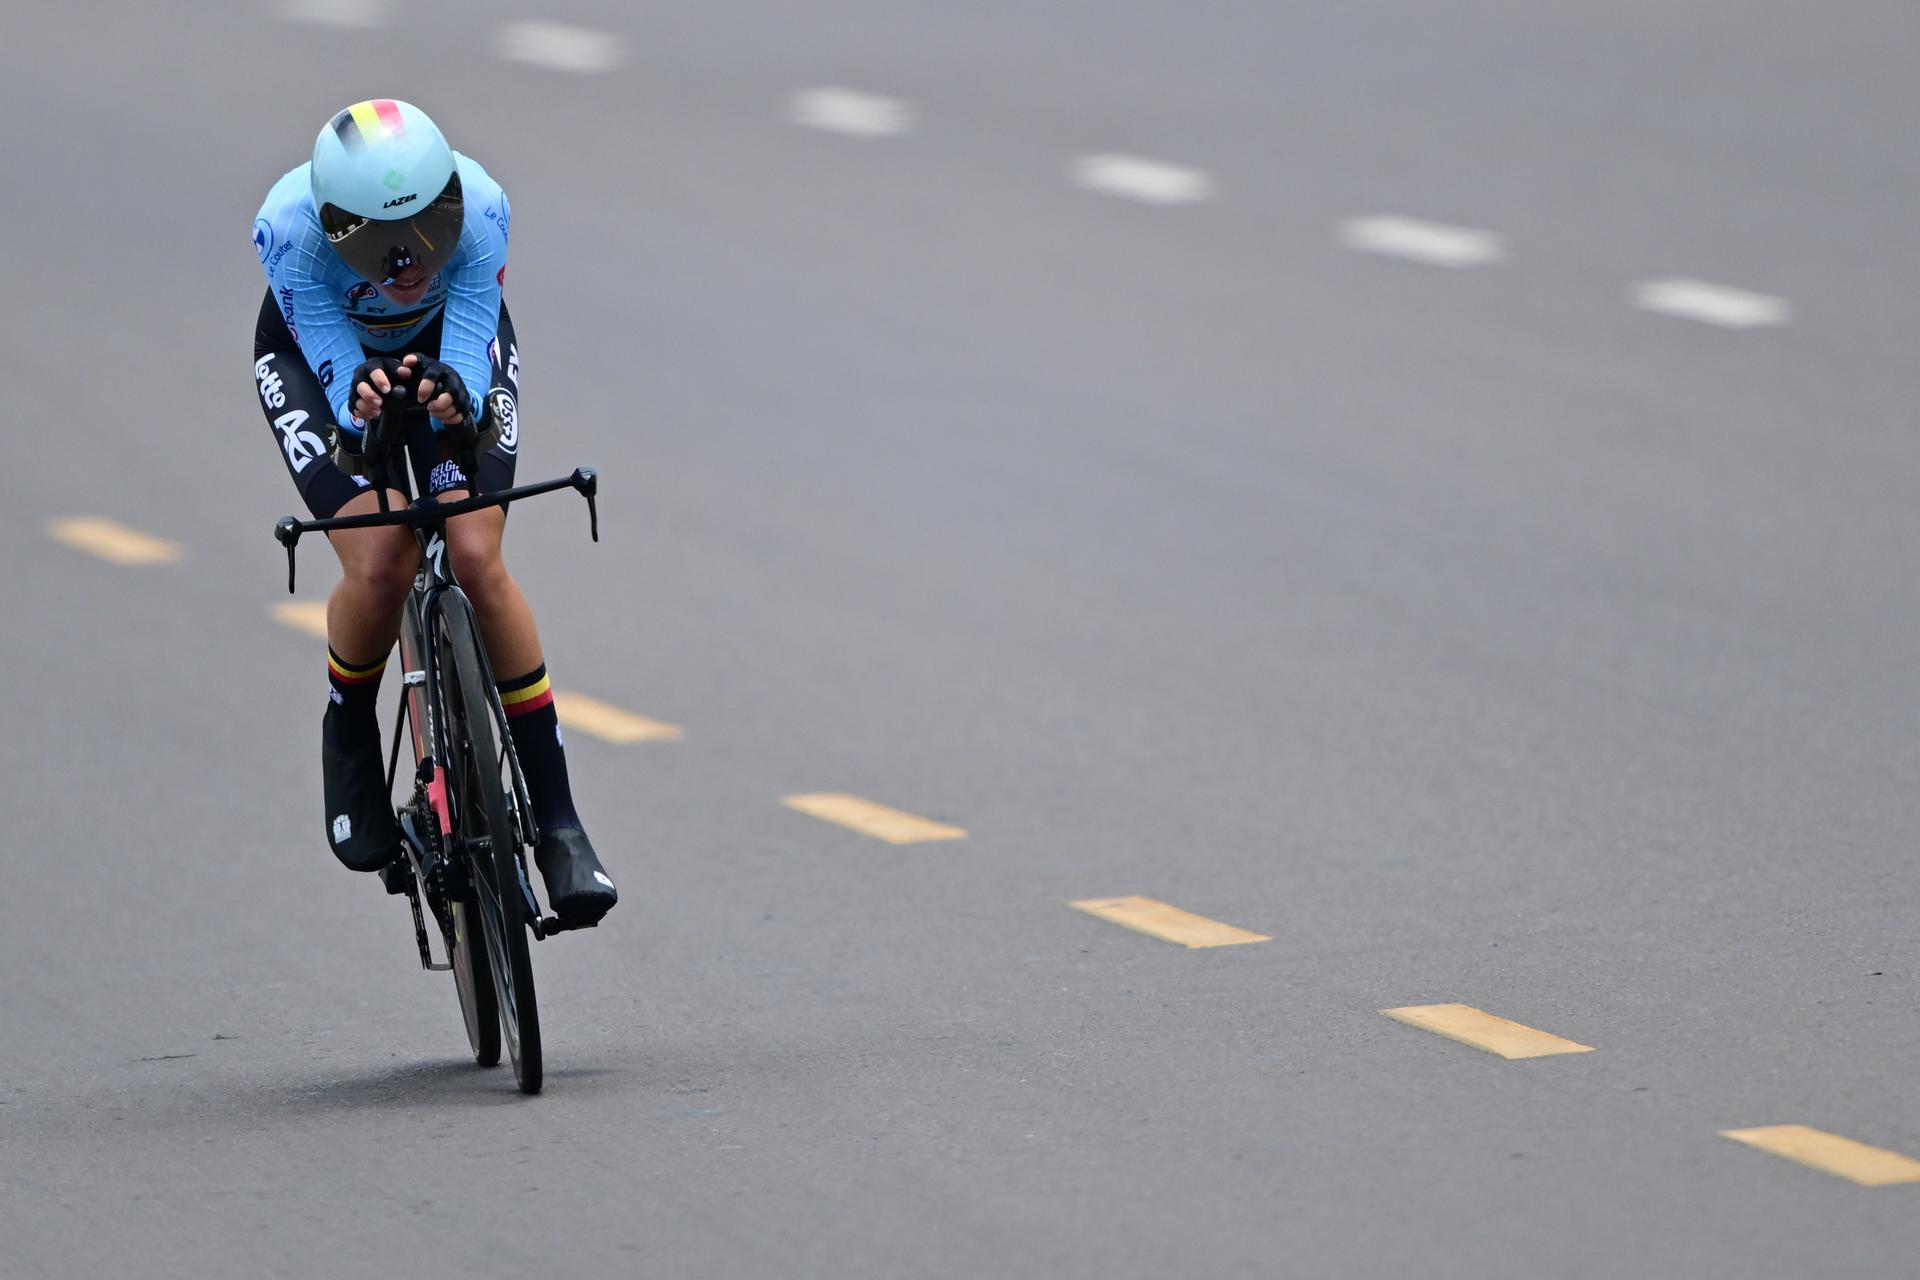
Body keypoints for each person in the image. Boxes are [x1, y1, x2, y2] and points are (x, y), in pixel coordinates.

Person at [251, 98, 616, 922]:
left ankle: (558, 824)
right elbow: (343, 387)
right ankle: (347, 728)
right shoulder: (290, 233)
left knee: (478, 555)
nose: (407, 257)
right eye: (379, 240)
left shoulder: (484, 207)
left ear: (452, 202)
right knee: (384, 557)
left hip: (451, 342)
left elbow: (473, 350)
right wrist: (363, 405)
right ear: (334, 225)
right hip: (323, 363)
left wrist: (460, 393)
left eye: (424, 227)